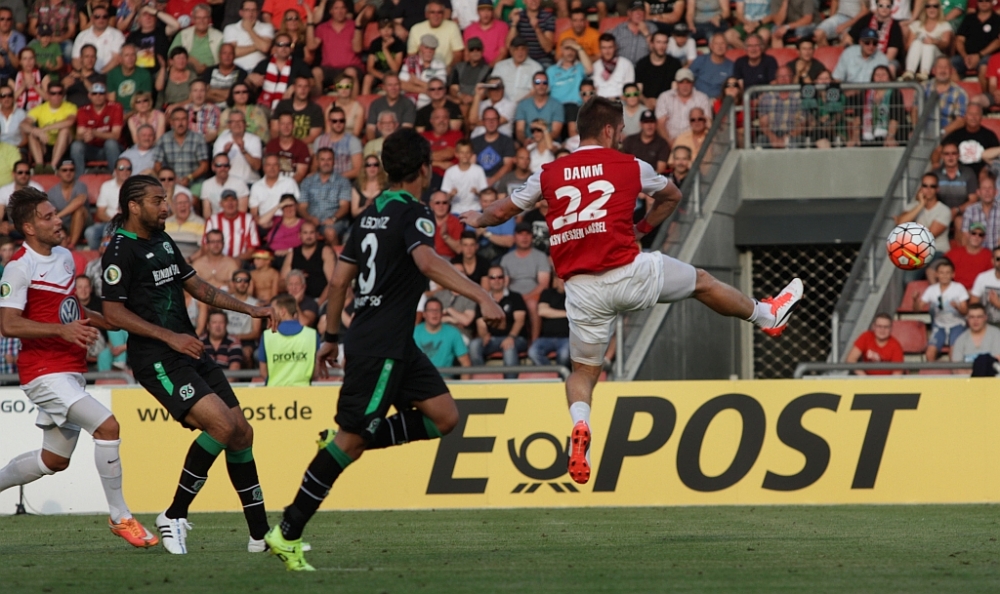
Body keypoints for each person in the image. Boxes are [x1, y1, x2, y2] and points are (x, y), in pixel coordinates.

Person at [461, 96, 803, 485]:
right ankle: (767, 315)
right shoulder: (630, 165)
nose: (623, 136)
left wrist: (478, 219)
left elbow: (502, 211)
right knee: (702, 282)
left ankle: (581, 424)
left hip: (582, 290)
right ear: (608, 130)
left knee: (583, 373)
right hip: (629, 271)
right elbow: (671, 195)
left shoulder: (548, 173)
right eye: (621, 129)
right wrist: (642, 229)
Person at [263, 128, 501, 571]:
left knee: (444, 416)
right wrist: (482, 295)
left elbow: (339, 281)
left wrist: (331, 337)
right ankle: (288, 532)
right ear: (425, 170)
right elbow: (427, 261)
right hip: (382, 347)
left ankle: (343, 440)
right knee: (350, 444)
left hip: (390, 342)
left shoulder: (370, 212)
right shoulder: (415, 212)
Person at [101, 174, 276, 554]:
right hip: (156, 358)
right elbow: (112, 313)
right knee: (222, 426)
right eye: (158, 200)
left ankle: (261, 536)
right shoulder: (119, 251)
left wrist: (250, 309)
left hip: (189, 350)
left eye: (166, 199)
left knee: (241, 433)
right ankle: (174, 514)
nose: (166, 207)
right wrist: (169, 337)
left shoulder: (163, 240)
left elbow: (198, 286)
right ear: (133, 206)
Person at [0, 186, 157, 547]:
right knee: (108, 426)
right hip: (43, 371)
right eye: (48, 217)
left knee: (53, 461)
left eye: (56, 214)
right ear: (28, 227)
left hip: (69, 369)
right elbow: (8, 324)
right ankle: (120, 516)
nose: (59, 220)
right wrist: (61, 330)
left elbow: (72, 309)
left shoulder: (65, 257)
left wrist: (110, 321)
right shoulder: (18, 268)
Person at [468, 265, 528, 377]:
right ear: (488, 280)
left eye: (500, 277)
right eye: (493, 277)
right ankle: (483, 379)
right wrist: (484, 335)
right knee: (474, 345)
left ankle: (511, 383)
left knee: (509, 347)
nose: (496, 280)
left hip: (517, 338)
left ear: (505, 279)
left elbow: (520, 320)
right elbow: (480, 324)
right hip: (493, 340)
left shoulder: (515, 297)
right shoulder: (483, 300)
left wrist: (511, 337)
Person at [257, 293, 316, 386]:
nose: (270, 313)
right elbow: (316, 371)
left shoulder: (267, 336)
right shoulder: (312, 334)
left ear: (283, 312)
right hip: (304, 391)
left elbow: (263, 371)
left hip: (275, 391)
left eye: (273, 310)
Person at [918, 259, 969, 361]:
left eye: (947, 273)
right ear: (936, 274)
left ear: (953, 274)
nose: (944, 275)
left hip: (957, 325)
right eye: (941, 273)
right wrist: (915, 300)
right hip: (939, 326)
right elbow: (917, 309)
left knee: (954, 354)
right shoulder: (932, 290)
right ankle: (932, 372)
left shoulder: (959, 288)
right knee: (929, 354)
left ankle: (954, 372)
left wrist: (957, 307)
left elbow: (965, 311)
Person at [307, 0, 363, 92]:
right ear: (331, 11)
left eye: (342, 8)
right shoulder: (322, 27)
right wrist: (310, 23)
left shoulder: (354, 26)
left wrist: (358, 26)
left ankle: (352, 101)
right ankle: (318, 101)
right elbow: (311, 46)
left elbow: (357, 49)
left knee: (350, 72)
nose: (339, 11)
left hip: (351, 67)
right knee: (316, 72)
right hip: (329, 69)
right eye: (336, 8)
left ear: (346, 10)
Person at [298, 147, 350, 243]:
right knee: (300, 231)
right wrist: (310, 218)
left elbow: (345, 206)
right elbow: (302, 207)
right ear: (317, 162)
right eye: (322, 159)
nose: (326, 163)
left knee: (330, 232)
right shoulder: (307, 182)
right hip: (311, 220)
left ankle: (334, 253)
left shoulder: (343, 182)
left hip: (334, 221)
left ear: (334, 161)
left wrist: (333, 218)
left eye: (329, 159)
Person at [22, 80, 75, 173]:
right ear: (48, 94)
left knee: (65, 130)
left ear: (63, 94)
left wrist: (44, 129)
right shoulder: (40, 108)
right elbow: (23, 124)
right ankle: (39, 166)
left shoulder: (70, 107)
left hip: (64, 145)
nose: (56, 96)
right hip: (45, 144)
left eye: (59, 93)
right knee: (32, 133)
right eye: (53, 93)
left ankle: (52, 167)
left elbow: (69, 122)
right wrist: (36, 131)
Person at [69, 82, 122, 175]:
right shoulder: (83, 110)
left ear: (106, 95)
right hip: (91, 149)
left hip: (111, 149)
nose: (98, 96)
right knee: (76, 145)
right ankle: (79, 178)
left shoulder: (115, 107)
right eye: (94, 93)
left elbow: (116, 135)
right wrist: (85, 137)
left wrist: (94, 133)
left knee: (111, 143)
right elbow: (78, 135)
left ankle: (116, 176)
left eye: (101, 93)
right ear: (89, 95)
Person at [414, 296, 472, 377]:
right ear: (424, 314)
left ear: (442, 313)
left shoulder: (453, 333)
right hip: (419, 379)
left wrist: (464, 384)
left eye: (437, 310)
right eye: (431, 310)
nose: (434, 313)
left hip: (445, 380)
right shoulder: (414, 333)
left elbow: (466, 363)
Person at [154, 106, 209, 190]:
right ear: (171, 122)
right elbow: (157, 165)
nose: (180, 123)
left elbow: (204, 166)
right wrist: (172, 179)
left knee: (194, 196)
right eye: (177, 119)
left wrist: (189, 177)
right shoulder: (163, 140)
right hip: (170, 183)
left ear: (188, 121)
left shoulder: (198, 139)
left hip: (194, 182)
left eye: (183, 119)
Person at [280, 220, 335, 301]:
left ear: (317, 235)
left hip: (321, 300)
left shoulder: (325, 251)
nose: (308, 236)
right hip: (297, 300)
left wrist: (318, 304)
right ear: (299, 235)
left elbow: (332, 283)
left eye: (311, 233)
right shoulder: (292, 254)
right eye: (305, 233)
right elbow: (282, 282)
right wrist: (296, 280)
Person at [655, 67, 712, 143]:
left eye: (688, 82)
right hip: (668, 141)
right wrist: (669, 142)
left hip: (693, 141)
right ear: (676, 83)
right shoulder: (665, 97)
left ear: (693, 83)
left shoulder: (702, 98)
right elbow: (660, 124)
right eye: (681, 82)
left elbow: (707, 123)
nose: (685, 86)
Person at [85, 157, 130, 249]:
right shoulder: (107, 186)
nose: (125, 171)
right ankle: (98, 254)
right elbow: (100, 212)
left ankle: (107, 253)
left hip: (128, 224)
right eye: (121, 168)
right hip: (109, 221)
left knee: (109, 230)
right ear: (115, 171)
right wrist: (112, 220)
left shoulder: (136, 187)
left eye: (128, 168)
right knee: (90, 232)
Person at [940, 104, 998, 177]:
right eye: (970, 114)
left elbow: (996, 159)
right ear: (965, 116)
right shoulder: (955, 134)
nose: (973, 117)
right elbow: (939, 150)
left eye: (976, 114)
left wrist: (986, 170)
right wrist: (935, 164)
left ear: (981, 117)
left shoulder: (989, 135)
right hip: (958, 173)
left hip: (983, 174)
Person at [204, 189, 260, 260]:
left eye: (233, 200)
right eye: (226, 200)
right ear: (221, 204)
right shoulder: (212, 220)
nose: (230, 203)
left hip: (241, 261)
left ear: (237, 202)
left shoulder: (248, 219)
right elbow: (206, 246)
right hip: (217, 261)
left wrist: (233, 261)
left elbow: (252, 249)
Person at [919, 56, 967, 138]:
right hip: (923, 132)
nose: (943, 70)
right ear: (933, 70)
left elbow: (960, 120)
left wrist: (942, 133)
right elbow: (915, 109)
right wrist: (917, 130)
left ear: (951, 70)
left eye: (946, 67)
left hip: (948, 135)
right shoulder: (922, 88)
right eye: (940, 67)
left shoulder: (960, 93)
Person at [755, 67, 804, 148]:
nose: (783, 79)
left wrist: (787, 138)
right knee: (760, 141)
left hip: (792, 133)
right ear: (776, 79)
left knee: (797, 142)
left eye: (786, 76)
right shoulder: (767, 97)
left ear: (792, 78)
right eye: (780, 76)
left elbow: (803, 123)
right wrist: (773, 138)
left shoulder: (799, 97)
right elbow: (763, 123)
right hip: (771, 132)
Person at [935, 141, 978, 233]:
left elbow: (973, 200)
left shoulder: (968, 173)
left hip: (963, 213)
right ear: (942, 156)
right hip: (940, 214)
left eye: (953, 153)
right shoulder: (936, 174)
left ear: (959, 155)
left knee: (959, 221)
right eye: (947, 154)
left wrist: (956, 210)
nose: (950, 157)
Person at [902, 1, 952, 80]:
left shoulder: (945, 25)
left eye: (935, 6)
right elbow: (907, 47)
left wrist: (934, 41)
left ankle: (924, 74)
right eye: (928, 6)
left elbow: (946, 44)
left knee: (929, 45)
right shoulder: (916, 24)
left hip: (937, 58)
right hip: (916, 57)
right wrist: (918, 42)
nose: (932, 9)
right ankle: (909, 72)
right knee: (917, 42)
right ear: (924, 9)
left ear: (939, 9)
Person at [951, 0, 1000, 80]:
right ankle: (958, 88)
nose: (984, 3)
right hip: (966, 57)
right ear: (977, 2)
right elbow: (959, 39)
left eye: (987, 0)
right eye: (981, 0)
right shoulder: (969, 18)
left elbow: (998, 42)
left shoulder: (998, 20)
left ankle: (984, 89)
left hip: (987, 57)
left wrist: (979, 55)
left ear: (992, 3)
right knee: (950, 64)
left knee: (985, 65)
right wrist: (965, 56)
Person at [528, 275, 570, 368]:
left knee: (564, 355)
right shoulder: (547, 293)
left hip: (567, 338)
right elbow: (542, 311)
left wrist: (551, 312)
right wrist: (568, 313)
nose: (563, 281)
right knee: (533, 352)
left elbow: (579, 314)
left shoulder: (575, 296)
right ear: (556, 280)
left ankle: (561, 375)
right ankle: (553, 373)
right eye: (561, 278)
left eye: (566, 279)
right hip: (546, 338)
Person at [169, 4, 223, 75]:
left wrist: (208, 69)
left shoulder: (219, 36)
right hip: (185, 74)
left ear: (209, 19)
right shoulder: (183, 34)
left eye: (205, 18)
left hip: (211, 74)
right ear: (193, 19)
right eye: (198, 18)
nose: (201, 21)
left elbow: (224, 60)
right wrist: (191, 60)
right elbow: (171, 56)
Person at [213, 109, 263, 186]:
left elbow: (257, 166)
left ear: (245, 124)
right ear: (229, 125)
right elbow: (214, 167)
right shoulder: (221, 140)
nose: (237, 124)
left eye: (240, 121)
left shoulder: (254, 139)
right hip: (229, 183)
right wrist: (225, 153)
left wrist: (244, 151)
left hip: (250, 182)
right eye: (234, 122)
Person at [223, 0, 274, 73]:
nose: (251, 13)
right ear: (241, 12)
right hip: (237, 70)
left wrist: (249, 30)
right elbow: (232, 52)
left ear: (257, 12)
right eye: (247, 10)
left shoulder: (266, 27)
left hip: (260, 70)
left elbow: (265, 48)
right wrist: (258, 46)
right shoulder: (230, 28)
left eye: (253, 10)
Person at [470, 105, 516, 186]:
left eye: (494, 119)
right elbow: (471, 165)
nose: (491, 122)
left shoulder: (507, 141)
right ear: (483, 122)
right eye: (488, 119)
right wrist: (481, 182)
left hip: (499, 181)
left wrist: (492, 180)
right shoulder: (475, 141)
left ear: (498, 121)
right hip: (478, 181)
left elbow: (508, 166)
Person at [46, 158, 88, 246]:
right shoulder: (52, 192)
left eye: (71, 170)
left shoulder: (80, 185)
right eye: (64, 170)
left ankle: (72, 245)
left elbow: (79, 201)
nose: (68, 173)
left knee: (79, 210)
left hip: (84, 223)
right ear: (58, 172)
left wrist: (59, 215)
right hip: (63, 225)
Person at [250, 153, 300, 226]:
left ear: (279, 167)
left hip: (286, 222)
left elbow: (296, 205)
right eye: (269, 165)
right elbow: (254, 212)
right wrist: (261, 223)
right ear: (264, 167)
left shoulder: (289, 182)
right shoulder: (256, 186)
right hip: (265, 222)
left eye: (275, 165)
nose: (272, 168)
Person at [635, 31, 681, 109]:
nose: (662, 46)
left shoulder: (674, 64)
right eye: (658, 42)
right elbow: (638, 90)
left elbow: (674, 90)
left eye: (665, 42)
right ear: (652, 44)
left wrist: (660, 103)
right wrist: (646, 101)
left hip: (668, 105)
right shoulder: (642, 64)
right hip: (646, 105)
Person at [950, 303, 1000, 375]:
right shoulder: (961, 339)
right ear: (967, 319)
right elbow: (956, 367)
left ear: (985, 317)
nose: (975, 320)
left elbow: (998, 360)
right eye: (972, 317)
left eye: (979, 317)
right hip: (967, 380)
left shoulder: (996, 334)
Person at [491, 36, 542, 103]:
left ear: (527, 50)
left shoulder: (536, 68)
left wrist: (518, 104)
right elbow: (492, 86)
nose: (520, 52)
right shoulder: (500, 66)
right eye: (516, 49)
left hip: (525, 105)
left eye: (523, 49)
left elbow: (537, 90)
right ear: (511, 50)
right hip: (501, 105)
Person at [362, 18, 404, 96]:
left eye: (389, 28)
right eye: (383, 28)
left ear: (393, 30)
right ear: (379, 31)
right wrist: (382, 76)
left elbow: (395, 69)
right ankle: (364, 101)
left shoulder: (399, 44)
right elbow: (369, 68)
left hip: (393, 74)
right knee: (367, 78)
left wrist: (385, 49)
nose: (386, 31)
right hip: (379, 73)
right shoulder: (375, 43)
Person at [201, 153, 250, 218]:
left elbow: (242, 212)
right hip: (215, 221)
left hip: (236, 221)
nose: (223, 168)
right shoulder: (206, 184)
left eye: (226, 165)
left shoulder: (240, 183)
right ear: (213, 167)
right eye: (219, 165)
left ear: (229, 167)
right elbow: (207, 213)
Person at [0, 161, 43, 235]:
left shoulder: (37, 189)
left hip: (33, 229)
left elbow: (39, 216)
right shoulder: (4, 190)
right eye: (20, 172)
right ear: (13, 174)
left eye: (27, 173)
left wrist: (11, 227)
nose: (24, 175)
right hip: (12, 230)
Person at [107, 44, 152, 113]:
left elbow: (146, 102)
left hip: (138, 112)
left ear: (136, 57)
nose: (130, 58)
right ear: (120, 58)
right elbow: (112, 101)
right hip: (118, 111)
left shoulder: (144, 74)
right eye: (127, 55)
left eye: (133, 55)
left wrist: (128, 115)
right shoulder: (112, 74)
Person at [962, 169, 1000, 250]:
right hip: (977, 254)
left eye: (990, 188)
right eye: (984, 188)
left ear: (996, 192)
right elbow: (965, 236)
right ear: (978, 192)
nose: (987, 191)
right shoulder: (970, 210)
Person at [948, 222, 992, 290]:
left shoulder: (989, 255)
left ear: (984, 238)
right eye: (973, 233)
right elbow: (934, 269)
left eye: (980, 235)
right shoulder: (954, 253)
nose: (977, 237)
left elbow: (992, 278)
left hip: (979, 292)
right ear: (968, 235)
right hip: (955, 291)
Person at [464, 0, 509, 66]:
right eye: (482, 10)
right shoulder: (469, 30)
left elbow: (503, 53)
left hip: (496, 67)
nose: (486, 14)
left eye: (489, 10)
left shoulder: (502, 27)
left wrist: (488, 68)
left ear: (493, 11)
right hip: (475, 68)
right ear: (477, 12)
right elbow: (467, 55)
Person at [591, 34, 634, 101]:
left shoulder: (626, 64)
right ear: (600, 49)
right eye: (604, 48)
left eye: (610, 47)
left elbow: (630, 89)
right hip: (600, 103)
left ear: (615, 47)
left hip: (620, 103)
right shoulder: (595, 66)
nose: (607, 51)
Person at [164, 191, 206, 259]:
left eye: (185, 202)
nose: (183, 205)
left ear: (190, 205)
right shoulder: (166, 222)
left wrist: (189, 260)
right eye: (179, 203)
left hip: (191, 262)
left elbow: (203, 248)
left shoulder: (200, 223)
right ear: (174, 206)